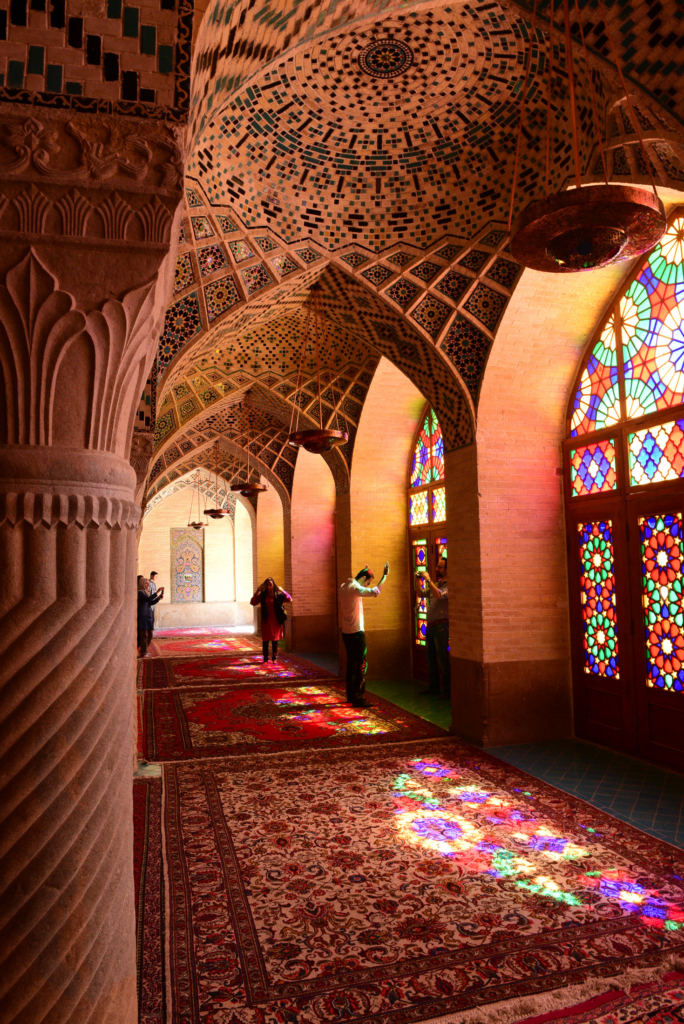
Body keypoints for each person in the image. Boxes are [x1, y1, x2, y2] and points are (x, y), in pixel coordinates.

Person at [339, 562, 389, 708]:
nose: (367, 585)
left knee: (351, 664)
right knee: (361, 665)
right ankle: (358, 697)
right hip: (356, 633)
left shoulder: (344, 586)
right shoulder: (355, 588)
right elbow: (375, 591)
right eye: (367, 582)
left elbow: (364, 588)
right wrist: (384, 576)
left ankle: (350, 695)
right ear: (362, 578)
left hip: (346, 632)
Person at [420, 556, 450, 698]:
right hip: (431, 626)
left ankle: (447, 690)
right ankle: (434, 686)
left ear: (447, 569)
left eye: (440, 566)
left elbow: (438, 596)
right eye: (437, 566)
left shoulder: (449, 585)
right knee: (430, 657)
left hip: (441, 626)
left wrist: (428, 580)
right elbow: (421, 594)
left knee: (442, 658)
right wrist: (418, 580)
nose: (437, 568)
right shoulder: (436, 583)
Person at [250, 577, 292, 662]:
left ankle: (274, 657)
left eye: (270, 585)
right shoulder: (263, 595)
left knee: (275, 639)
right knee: (266, 639)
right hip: (266, 620)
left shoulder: (278, 595)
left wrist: (282, 590)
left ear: (273, 585)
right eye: (267, 585)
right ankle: (265, 658)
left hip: (276, 620)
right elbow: (253, 602)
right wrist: (257, 591)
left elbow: (289, 599)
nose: (268, 587)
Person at [137, 575, 163, 658]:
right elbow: (148, 600)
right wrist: (157, 591)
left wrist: (158, 598)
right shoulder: (140, 592)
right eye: (145, 583)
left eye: (147, 583)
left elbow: (150, 603)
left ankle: (145, 650)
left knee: (150, 634)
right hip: (143, 615)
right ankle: (143, 652)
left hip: (148, 614)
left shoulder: (146, 592)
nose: (147, 585)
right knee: (144, 634)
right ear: (141, 583)